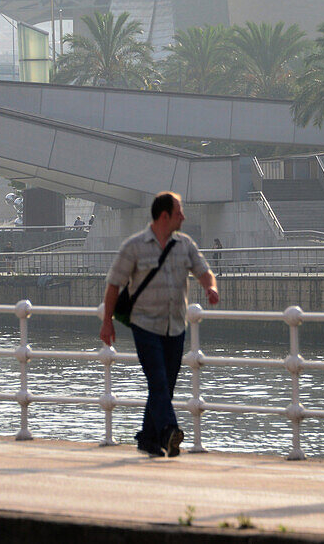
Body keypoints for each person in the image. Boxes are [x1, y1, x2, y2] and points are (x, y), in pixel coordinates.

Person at [100, 191, 219, 458]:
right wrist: (107, 323)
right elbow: (114, 285)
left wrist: (210, 287)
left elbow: (203, 270)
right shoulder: (134, 246)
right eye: (179, 213)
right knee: (158, 380)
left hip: (175, 325)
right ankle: (169, 431)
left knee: (165, 384)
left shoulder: (184, 245)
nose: (183, 217)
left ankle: (147, 438)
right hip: (144, 324)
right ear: (165, 216)